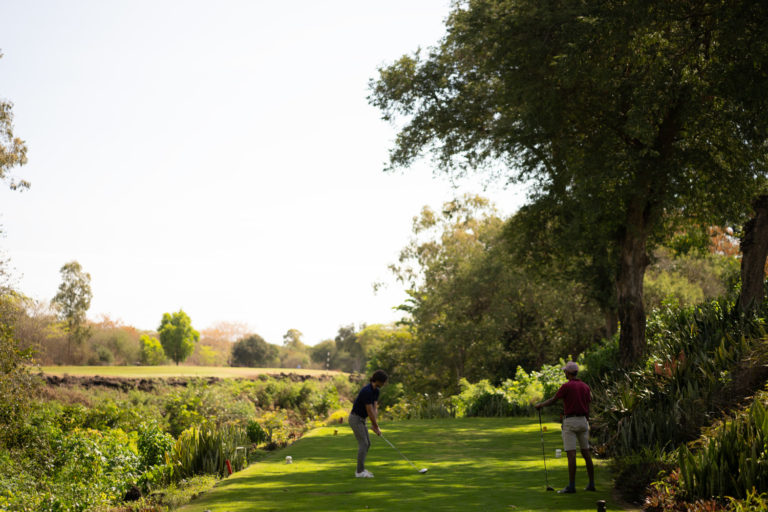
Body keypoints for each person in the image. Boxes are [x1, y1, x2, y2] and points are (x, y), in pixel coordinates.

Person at [535, 361, 595, 494]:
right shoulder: (585, 386)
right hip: (583, 421)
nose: (564, 373)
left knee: (571, 454)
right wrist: (587, 419)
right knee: (586, 453)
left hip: (570, 421)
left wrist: (540, 405)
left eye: (565, 371)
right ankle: (591, 484)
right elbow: (588, 404)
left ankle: (571, 486)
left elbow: (553, 400)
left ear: (568, 373)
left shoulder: (566, 386)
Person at [348, 369, 388, 478]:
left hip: (362, 419)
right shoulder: (367, 391)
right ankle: (359, 472)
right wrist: (375, 426)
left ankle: (361, 469)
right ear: (378, 380)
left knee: (367, 443)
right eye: (384, 382)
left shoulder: (376, 391)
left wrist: (375, 425)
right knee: (364, 443)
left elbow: (374, 408)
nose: (384, 384)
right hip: (355, 419)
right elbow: (369, 411)